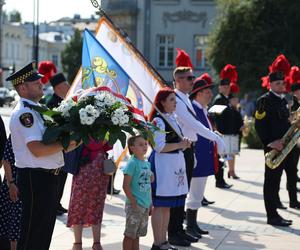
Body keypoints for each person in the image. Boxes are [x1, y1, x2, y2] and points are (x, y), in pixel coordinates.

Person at [6, 62, 78, 250]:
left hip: (48, 177)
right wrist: (64, 144)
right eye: (35, 81)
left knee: (43, 234)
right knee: (33, 234)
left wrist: (76, 140)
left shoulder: (38, 111)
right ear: (23, 87)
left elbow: (54, 148)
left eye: (39, 80)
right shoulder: (24, 113)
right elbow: (37, 149)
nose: (41, 83)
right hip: (35, 178)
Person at [169, 67, 225, 247]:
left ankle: (181, 230)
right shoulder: (176, 99)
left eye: (192, 77)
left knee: (184, 192)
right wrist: (215, 137)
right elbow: (192, 123)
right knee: (180, 193)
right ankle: (175, 231)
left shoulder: (184, 98)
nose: (192, 81)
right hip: (181, 149)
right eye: (188, 78)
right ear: (177, 80)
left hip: (188, 149)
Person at [255, 65, 299, 226]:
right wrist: (269, 142)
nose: (282, 86)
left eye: (283, 83)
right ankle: (271, 216)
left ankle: (276, 214)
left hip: (286, 146)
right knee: (271, 182)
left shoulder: (283, 100)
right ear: (270, 85)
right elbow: (259, 125)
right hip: (273, 148)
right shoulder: (264, 101)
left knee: (280, 180)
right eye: (278, 83)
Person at [148, 88, 190, 250]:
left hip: (174, 165)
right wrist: (180, 144)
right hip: (163, 166)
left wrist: (183, 144)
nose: (175, 103)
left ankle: (163, 241)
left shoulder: (173, 118)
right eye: (172, 99)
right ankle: (157, 242)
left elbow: (174, 142)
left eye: (175, 99)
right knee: (160, 205)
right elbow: (159, 146)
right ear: (162, 102)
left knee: (167, 206)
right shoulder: (158, 121)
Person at [185, 76, 217, 238]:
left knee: (198, 192)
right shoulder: (194, 110)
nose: (210, 94)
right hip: (198, 156)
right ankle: (190, 225)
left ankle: (193, 224)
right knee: (194, 192)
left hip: (204, 156)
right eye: (206, 92)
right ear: (197, 94)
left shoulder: (202, 110)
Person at [67, 140, 112, 250]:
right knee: (79, 205)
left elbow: (109, 145)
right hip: (85, 166)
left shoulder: (105, 126)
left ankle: (96, 242)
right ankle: (78, 243)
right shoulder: (83, 126)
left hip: (99, 169)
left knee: (96, 205)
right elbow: (91, 144)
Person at [122, 135, 153, 250]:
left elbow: (148, 186)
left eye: (145, 143)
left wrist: (150, 203)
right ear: (132, 148)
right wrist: (133, 202)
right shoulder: (132, 163)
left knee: (138, 235)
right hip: (135, 205)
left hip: (145, 205)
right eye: (140, 144)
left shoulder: (147, 163)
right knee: (130, 235)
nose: (144, 146)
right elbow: (125, 186)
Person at [46, 73, 70, 216]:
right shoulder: (51, 104)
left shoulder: (65, 101)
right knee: (56, 178)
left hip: (65, 149)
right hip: (56, 149)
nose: (68, 86)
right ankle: (53, 204)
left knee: (62, 178)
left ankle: (57, 203)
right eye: (66, 84)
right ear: (59, 87)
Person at [211, 65, 236, 189]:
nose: (226, 89)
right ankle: (219, 181)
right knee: (220, 159)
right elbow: (216, 117)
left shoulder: (226, 100)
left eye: (228, 87)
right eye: (224, 87)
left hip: (228, 132)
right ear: (219, 87)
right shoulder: (219, 100)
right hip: (222, 132)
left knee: (224, 158)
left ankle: (222, 179)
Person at [0, 136, 22, 250]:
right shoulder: (15, 134)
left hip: (26, 185)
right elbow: (6, 160)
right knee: (14, 225)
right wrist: (11, 183)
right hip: (13, 185)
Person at [221, 92, 244, 179]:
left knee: (232, 154)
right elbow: (231, 123)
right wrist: (239, 127)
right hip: (230, 135)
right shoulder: (229, 110)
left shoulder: (236, 109)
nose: (236, 101)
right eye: (234, 99)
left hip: (233, 135)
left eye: (237, 99)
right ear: (230, 100)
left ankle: (231, 171)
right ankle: (231, 171)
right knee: (230, 154)